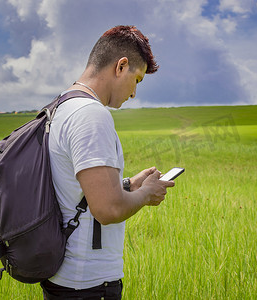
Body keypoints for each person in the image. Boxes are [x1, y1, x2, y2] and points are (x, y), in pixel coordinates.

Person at [40, 25, 175, 299]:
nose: (134, 93)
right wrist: (146, 194)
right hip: (87, 284)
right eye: (137, 80)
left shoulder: (62, 106)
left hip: (64, 278)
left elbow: (73, 190)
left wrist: (127, 185)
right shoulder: (92, 115)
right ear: (121, 66)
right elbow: (108, 209)